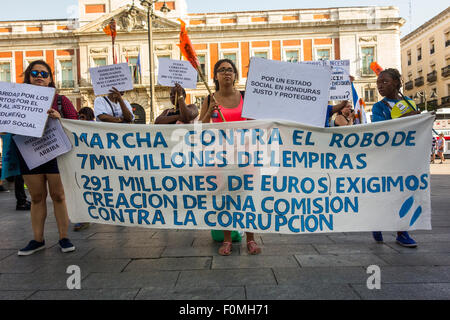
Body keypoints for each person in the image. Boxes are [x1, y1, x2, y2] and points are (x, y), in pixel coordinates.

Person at [15, 60, 78, 255]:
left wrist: (60, 117)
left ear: (50, 78)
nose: (39, 76)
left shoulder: (61, 100)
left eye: (44, 73)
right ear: (28, 77)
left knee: (59, 195)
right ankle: (37, 239)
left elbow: (76, 125)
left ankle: (63, 237)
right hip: (29, 152)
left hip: (55, 152)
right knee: (36, 197)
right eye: (35, 73)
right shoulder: (18, 99)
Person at [200, 59, 261, 256]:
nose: (226, 73)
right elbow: (200, 128)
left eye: (230, 70)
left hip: (246, 156)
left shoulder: (245, 97)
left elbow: (256, 124)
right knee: (224, 198)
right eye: (222, 70)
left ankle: (251, 239)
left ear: (235, 75)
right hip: (221, 158)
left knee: (247, 197)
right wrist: (209, 112)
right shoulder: (209, 99)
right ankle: (227, 239)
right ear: (215, 76)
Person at [371, 68, 420, 248]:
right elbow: (379, 128)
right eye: (378, 83)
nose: (380, 86)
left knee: (404, 194)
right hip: (386, 159)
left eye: (385, 82)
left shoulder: (409, 103)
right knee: (386, 194)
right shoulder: (379, 107)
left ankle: (402, 232)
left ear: (397, 83)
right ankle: (377, 223)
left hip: (407, 158)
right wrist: (408, 118)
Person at [73, 107, 95, 232]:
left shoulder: (96, 127)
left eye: (82, 117)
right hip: (83, 165)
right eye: (79, 117)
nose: (80, 119)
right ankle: (83, 218)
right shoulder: (77, 128)